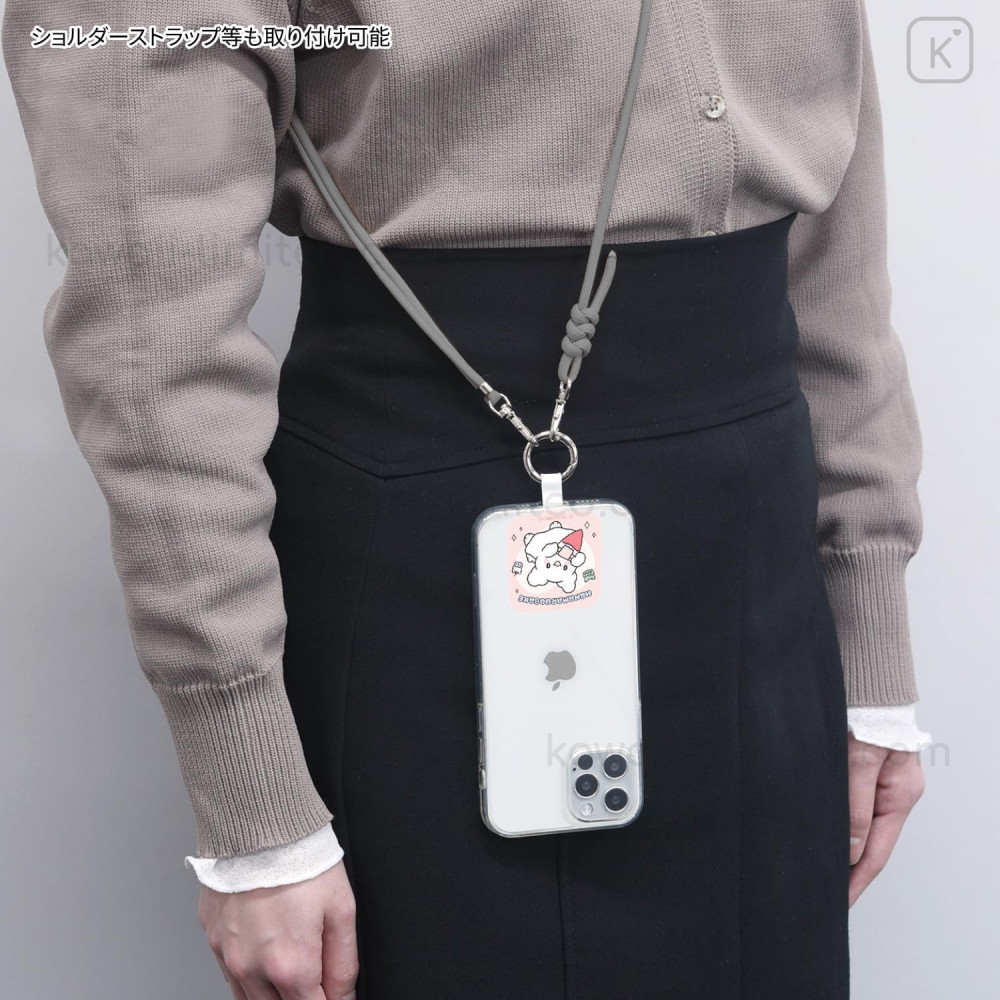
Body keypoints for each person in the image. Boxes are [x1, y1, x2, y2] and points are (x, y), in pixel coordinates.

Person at [3, 1, 931, 997]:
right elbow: (149, 312)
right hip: (425, 549)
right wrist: (252, 797)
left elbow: (835, 242)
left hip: (760, 557)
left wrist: (869, 624)